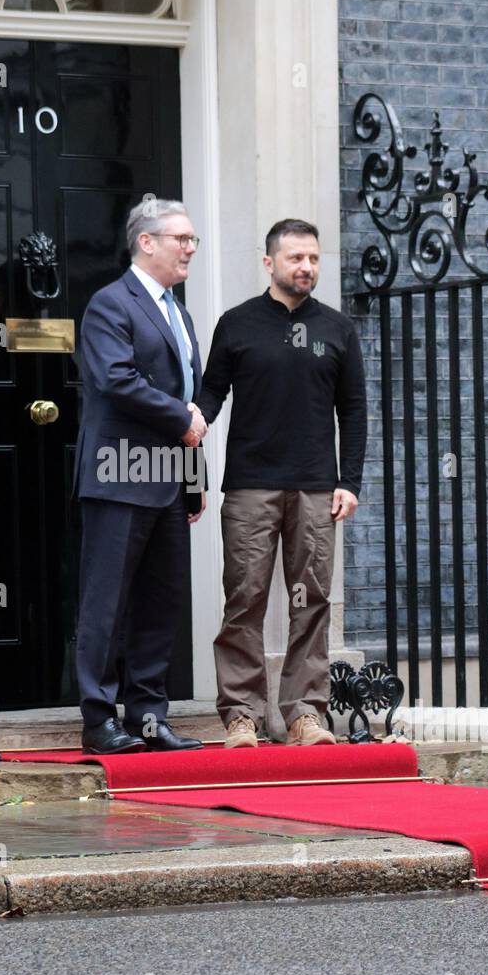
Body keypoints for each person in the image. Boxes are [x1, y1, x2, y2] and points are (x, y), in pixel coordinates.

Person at [196, 219, 367, 747]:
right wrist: (190, 427)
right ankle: (241, 715)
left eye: (313, 258)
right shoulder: (237, 324)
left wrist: (350, 481)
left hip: (316, 489)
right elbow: (211, 393)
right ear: (269, 262)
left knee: (311, 602)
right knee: (244, 598)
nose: (306, 267)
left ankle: (304, 714)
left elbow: (354, 409)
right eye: (296, 258)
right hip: (250, 487)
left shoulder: (337, 329)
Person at [74, 200, 207, 754]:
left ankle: (149, 718)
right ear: (146, 242)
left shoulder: (179, 313)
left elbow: (188, 396)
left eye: (193, 239)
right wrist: (182, 419)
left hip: (168, 478)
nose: (191, 248)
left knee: (161, 601)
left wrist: (193, 479)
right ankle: (99, 719)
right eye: (181, 238)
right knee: (107, 603)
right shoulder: (110, 303)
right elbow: (116, 379)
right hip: (119, 474)